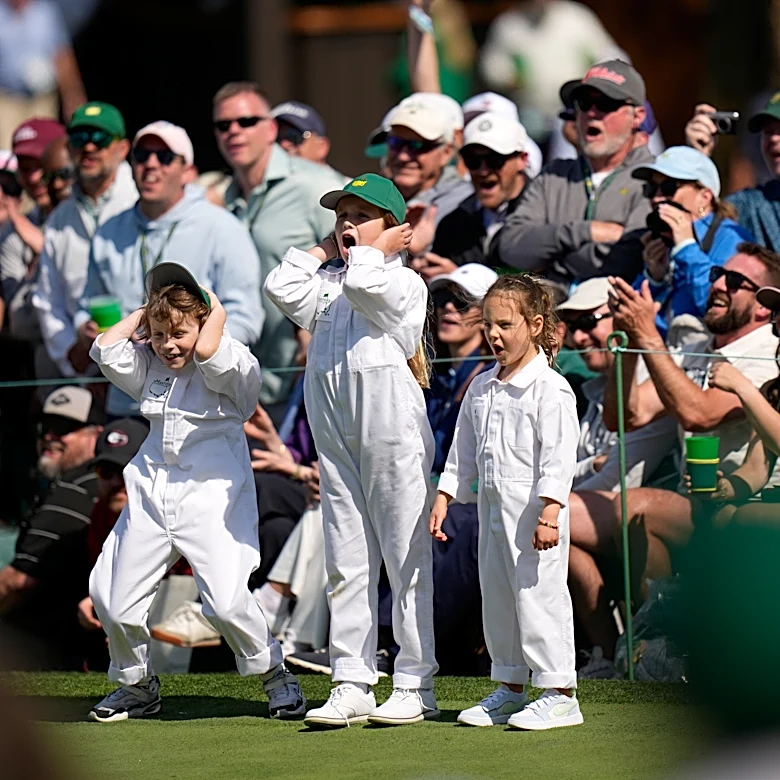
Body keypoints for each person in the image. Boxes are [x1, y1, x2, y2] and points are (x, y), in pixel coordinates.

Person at [87, 262, 305, 722]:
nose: (169, 345)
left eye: (179, 333)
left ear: (205, 322)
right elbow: (105, 347)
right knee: (110, 595)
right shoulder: (150, 361)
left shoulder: (233, 358)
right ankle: (137, 684)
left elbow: (207, 349)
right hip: (151, 486)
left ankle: (274, 674)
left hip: (213, 490)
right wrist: (149, 313)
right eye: (160, 334)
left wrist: (211, 308)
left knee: (226, 602)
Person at [265, 173, 439, 727]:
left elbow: (370, 286)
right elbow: (280, 286)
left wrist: (376, 249)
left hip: (392, 432)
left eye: (360, 215)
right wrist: (325, 247)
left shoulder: (405, 282)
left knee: (404, 557)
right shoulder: (331, 282)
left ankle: (414, 680)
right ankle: (352, 678)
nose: (346, 224)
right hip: (336, 434)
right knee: (346, 558)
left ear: (392, 228)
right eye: (341, 214)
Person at [566, 244, 780, 670]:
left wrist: (651, 338)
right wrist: (627, 345)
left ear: (760, 310)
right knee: (563, 523)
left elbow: (697, 413)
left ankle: (673, 639)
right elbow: (625, 415)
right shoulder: (711, 352)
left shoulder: (759, 358)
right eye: (719, 273)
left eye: (736, 282)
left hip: (743, 513)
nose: (719, 283)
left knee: (630, 508)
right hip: (719, 502)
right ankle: (623, 654)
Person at [430, 273, 583, 729]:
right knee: (498, 597)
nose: (494, 335)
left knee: (539, 597)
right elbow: (462, 451)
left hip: (535, 514)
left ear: (535, 325)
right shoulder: (481, 387)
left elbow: (559, 458)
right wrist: (445, 494)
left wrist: (550, 513)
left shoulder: (551, 390)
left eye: (505, 325)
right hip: (492, 510)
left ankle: (560, 692)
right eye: (489, 325)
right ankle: (510, 687)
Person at [75, 121, 263, 379]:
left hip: (195, 391)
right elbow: (88, 303)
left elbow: (245, 318)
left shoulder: (222, 227)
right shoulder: (109, 231)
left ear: (187, 170)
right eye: (141, 156)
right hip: (123, 388)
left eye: (164, 157)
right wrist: (86, 327)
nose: (151, 164)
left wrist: (192, 347)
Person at [213, 81, 337, 405]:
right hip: (238, 383)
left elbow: (364, 255)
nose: (234, 132)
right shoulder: (221, 198)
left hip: (307, 380)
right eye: (223, 125)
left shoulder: (315, 185)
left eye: (246, 122)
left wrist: (319, 322)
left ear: (270, 128)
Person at [497, 61, 654, 295]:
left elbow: (627, 260)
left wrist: (552, 258)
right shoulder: (554, 175)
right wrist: (585, 232)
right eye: (583, 103)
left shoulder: (654, 178)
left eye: (606, 104)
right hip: (552, 320)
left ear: (637, 116)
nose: (592, 113)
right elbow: (512, 247)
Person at [0, 385, 105, 669]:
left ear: (95, 435)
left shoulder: (76, 491)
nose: (50, 436)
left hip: (51, 649)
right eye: (45, 426)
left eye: (65, 428)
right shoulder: (81, 483)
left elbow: (17, 583)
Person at [34, 102, 137, 379]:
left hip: (146, 367)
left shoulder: (143, 201)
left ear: (123, 148)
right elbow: (48, 301)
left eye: (100, 139)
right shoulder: (59, 219)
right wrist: (75, 357)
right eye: (79, 139)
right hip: (83, 372)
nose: (89, 148)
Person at [630, 146, 753, 338]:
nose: (657, 198)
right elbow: (631, 316)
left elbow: (722, 308)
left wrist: (686, 247)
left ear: (704, 197)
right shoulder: (661, 240)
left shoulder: (732, 238)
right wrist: (653, 278)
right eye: (651, 189)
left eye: (669, 188)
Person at [479, 0, 620, 145]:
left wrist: (596, 81)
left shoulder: (577, 17)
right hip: (531, 113)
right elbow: (491, 67)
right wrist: (509, 77)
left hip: (577, 111)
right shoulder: (508, 24)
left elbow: (609, 55)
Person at [417, 112, 530, 279]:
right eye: (473, 161)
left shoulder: (544, 215)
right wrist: (416, 255)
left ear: (522, 160)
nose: (483, 171)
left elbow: (545, 290)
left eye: (495, 160)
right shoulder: (453, 224)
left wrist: (461, 279)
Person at [76, 417, 149, 661]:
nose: (117, 482)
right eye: (106, 471)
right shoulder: (102, 513)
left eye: (126, 471)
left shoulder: (180, 510)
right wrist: (96, 600)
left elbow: (187, 586)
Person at [685, 95, 780, 251]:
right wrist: (697, 158)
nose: (774, 138)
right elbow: (700, 224)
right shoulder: (754, 206)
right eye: (768, 131)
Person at [0, 0, 86, 149]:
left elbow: (61, 54)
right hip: (7, 99)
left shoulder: (45, 11)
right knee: (8, 151)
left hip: (42, 99)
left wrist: (72, 96)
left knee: (44, 148)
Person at [270, 100, 348, 184]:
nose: (284, 144)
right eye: (276, 136)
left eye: (293, 136)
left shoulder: (348, 192)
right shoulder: (258, 193)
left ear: (321, 147)